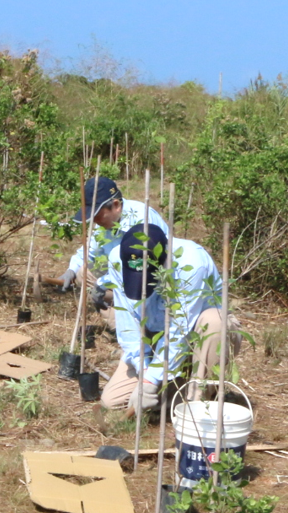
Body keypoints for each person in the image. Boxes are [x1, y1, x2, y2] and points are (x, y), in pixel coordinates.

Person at [99, 223, 239, 415]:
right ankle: (172, 391)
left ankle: (196, 404)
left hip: (194, 337)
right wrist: (145, 372)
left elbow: (179, 329)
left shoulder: (190, 264)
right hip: (154, 337)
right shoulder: (118, 258)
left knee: (215, 321)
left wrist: (150, 382)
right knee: (112, 401)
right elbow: (128, 324)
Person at [55, 176, 170, 316]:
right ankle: (119, 322)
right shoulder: (105, 225)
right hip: (122, 278)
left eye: (98, 214)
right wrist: (71, 270)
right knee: (83, 273)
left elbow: (143, 267)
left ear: (116, 205)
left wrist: (103, 282)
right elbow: (89, 253)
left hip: (152, 281)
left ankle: (142, 325)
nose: (95, 221)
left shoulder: (142, 221)